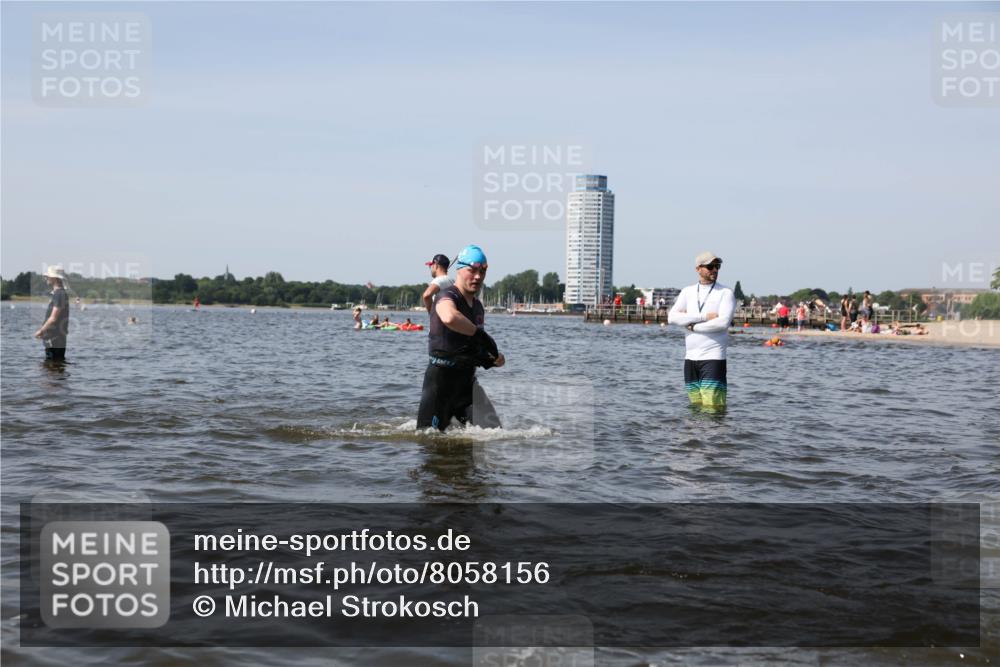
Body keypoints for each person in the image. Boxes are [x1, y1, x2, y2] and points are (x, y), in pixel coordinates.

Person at [417, 245, 504, 431]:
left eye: (482, 271)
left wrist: (489, 359)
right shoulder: (446, 296)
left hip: (467, 385)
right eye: (472, 270)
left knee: (495, 432)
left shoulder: (478, 307)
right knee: (430, 440)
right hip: (440, 384)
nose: (478, 276)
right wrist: (480, 334)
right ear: (459, 270)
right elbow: (449, 317)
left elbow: (471, 346)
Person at [667, 252, 736, 411]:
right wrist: (703, 317)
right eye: (710, 266)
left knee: (713, 408)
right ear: (698, 269)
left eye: (717, 266)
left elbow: (722, 323)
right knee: (695, 408)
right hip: (690, 358)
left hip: (713, 357)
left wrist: (693, 326)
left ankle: (716, 429)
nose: (715, 270)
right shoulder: (688, 291)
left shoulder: (725, 293)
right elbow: (672, 317)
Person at [33, 266, 70, 361]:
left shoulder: (59, 294)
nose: (46, 278)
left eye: (48, 276)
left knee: (53, 365)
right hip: (56, 337)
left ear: (54, 278)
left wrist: (41, 331)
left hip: (55, 337)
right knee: (56, 365)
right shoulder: (60, 293)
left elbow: (53, 318)